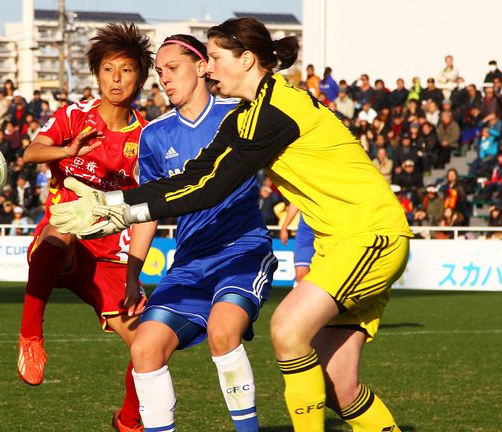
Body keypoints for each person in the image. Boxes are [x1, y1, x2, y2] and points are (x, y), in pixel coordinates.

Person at [52, 17, 411, 432]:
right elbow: (195, 175)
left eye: (217, 58)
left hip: (369, 234)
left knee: (287, 329)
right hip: (340, 245)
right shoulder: (247, 116)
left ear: (246, 60)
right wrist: (112, 202)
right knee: (339, 388)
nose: (210, 66)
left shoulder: (275, 109)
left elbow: (209, 188)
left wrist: (120, 209)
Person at [115, 34, 276, 432]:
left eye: (173, 68)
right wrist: (133, 276)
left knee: (223, 333)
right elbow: (148, 211)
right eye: (159, 72)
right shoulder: (153, 135)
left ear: (203, 66)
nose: (164, 79)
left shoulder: (239, 115)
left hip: (242, 250)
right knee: (144, 348)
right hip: (190, 263)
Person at [16, 22, 153, 432]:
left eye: (127, 70)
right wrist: (66, 150)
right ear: (97, 74)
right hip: (61, 244)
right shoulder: (75, 116)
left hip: (110, 255)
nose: (116, 78)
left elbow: (147, 210)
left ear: (140, 78)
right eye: (109, 69)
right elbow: (29, 153)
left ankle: (128, 423)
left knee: (150, 345)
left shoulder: (147, 138)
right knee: (64, 227)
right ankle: (30, 337)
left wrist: (133, 275)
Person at [280, 204, 315, 283]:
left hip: (332, 232)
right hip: (306, 232)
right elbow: (295, 202)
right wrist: (284, 227)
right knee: (301, 275)